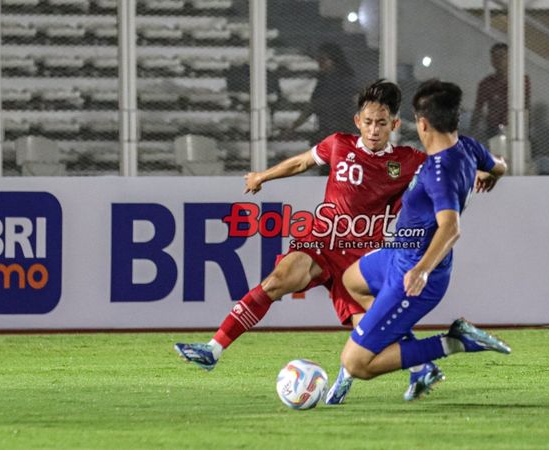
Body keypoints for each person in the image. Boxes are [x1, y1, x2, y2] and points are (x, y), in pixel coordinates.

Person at [175, 80, 443, 399]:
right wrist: (263, 176)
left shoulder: (408, 160)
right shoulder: (339, 145)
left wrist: (483, 171)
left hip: (360, 258)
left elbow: (447, 169)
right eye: (368, 122)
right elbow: (302, 162)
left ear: (395, 125)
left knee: (373, 329)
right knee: (277, 280)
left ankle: (415, 367)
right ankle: (213, 349)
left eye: (381, 124)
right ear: (358, 121)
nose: (374, 130)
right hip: (320, 242)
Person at [324, 79, 510, 405]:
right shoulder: (468, 146)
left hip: (414, 272)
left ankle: (454, 342)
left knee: (355, 364)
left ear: (422, 124)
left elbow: (450, 228)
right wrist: (489, 175)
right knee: (351, 281)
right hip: (398, 255)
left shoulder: (440, 171)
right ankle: (420, 367)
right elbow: (501, 165)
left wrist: (422, 270)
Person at [282, 43, 357, 142]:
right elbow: (313, 105)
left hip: (343, 130)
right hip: (326, 129)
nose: (319, 62)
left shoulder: (345, 81)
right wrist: (293, 127)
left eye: (323, 59)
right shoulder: (323, 80)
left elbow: (354, 102)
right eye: (318, 59)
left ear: (333, 61)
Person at [470, 43, 531, 143]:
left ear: (509, 58)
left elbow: (526, 104)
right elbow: (478, 109)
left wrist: (526, 128)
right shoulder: (486, 83)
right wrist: (471, 133)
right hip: (493, 129)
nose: (498, 60)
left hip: (516, 128)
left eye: (502, 56)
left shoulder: (521, 80)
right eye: (495, 57)